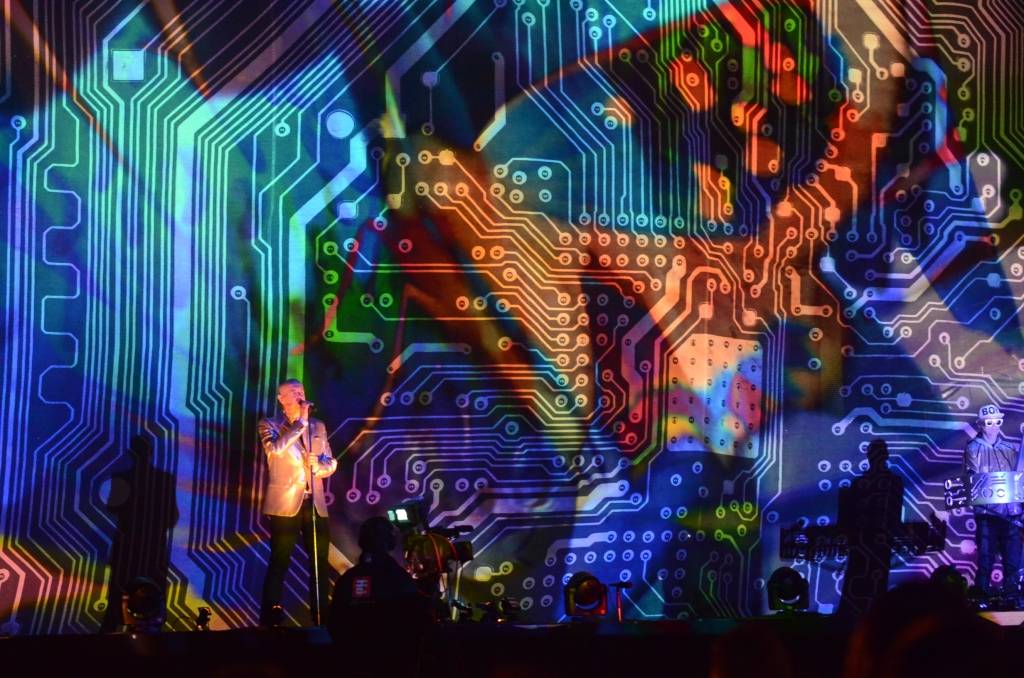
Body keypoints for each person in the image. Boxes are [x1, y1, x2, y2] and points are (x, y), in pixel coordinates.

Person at [258, 378, 338, 625]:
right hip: (285, 504)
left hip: (314, 503)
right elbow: (275, 450)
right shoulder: (269, 424)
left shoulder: (318, 425)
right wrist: (300, 423)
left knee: (319, 563)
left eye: (301, 390)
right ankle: (271, 616)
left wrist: (320, 467)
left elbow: (330, 461)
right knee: (280, 561)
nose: (299, 394)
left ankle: (321, 616)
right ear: (281, 398)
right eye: (293, 391)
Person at [328, 517, 431, 673]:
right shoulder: (398, 577)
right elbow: (416, 621)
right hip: (392, 664)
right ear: (389, 541)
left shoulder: (347, 579)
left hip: (352, 665)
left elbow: (334, 622)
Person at [836, 439, 905, 619]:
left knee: (872, 578)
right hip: (865, 541)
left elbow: (894, 512)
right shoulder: (862, 483)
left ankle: (868, 616)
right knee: (867, 578)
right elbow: (849, 514)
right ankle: (863, 616)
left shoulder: (889, 482)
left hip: (876, 540)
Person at [964, 403, 1023, 595]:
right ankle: (981, 598)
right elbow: (973, 479)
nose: (994, 426)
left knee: (1012, 562)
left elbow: (1018, 477)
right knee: (985, 561)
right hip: (987, 514)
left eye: (997, 422)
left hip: (1010, 514)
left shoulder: (1009, 448)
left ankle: (1012, 598)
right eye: (989, 422)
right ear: (981, 424)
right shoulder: (973, 448)